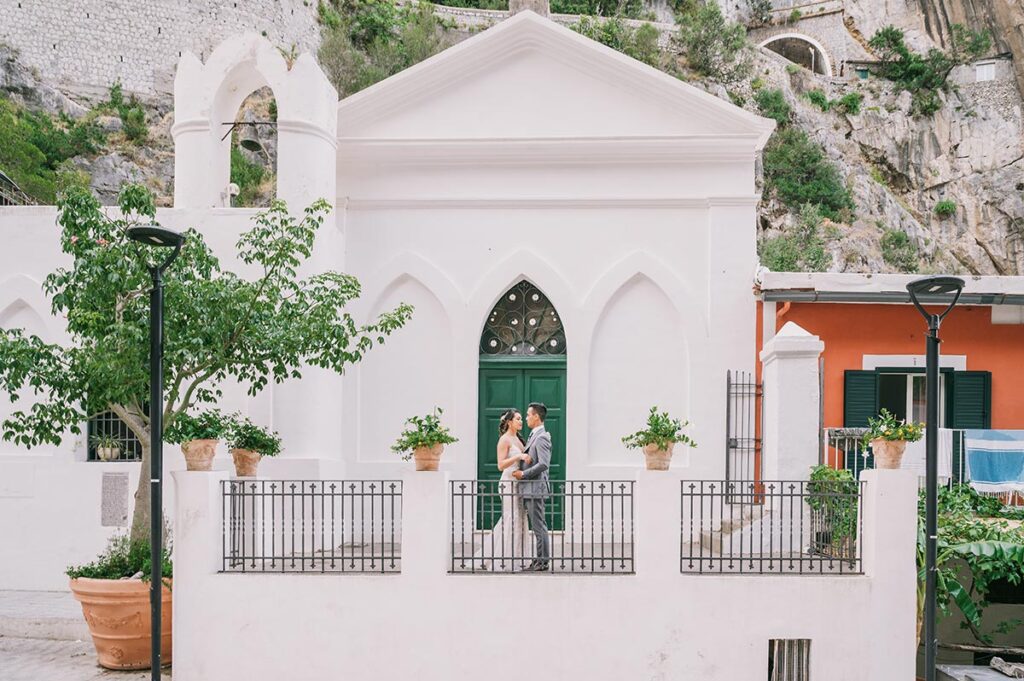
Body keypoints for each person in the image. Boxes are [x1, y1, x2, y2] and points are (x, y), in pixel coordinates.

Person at [475, 408, 531, 571]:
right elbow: (500, 465)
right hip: (507, 482)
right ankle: (502, 559)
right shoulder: (505, 440)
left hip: (519, 482)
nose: (521, 421)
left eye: (522, 419)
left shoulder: (519, 439)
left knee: (520, 518)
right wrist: (518, 457)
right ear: (509, 422)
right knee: (511, 518)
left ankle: (518, 557)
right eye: (518, 419)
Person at [513, 402, 551, 572]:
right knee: (537, 526)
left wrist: (524, 474)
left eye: (528, 415)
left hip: (535, 489)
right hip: (530, 489)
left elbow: (543, 464)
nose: (526, 418)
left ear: (536, 416)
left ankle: (542, 562)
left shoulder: (542, 436)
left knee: (539, 526)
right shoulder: (533, 435)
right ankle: (539, 560)